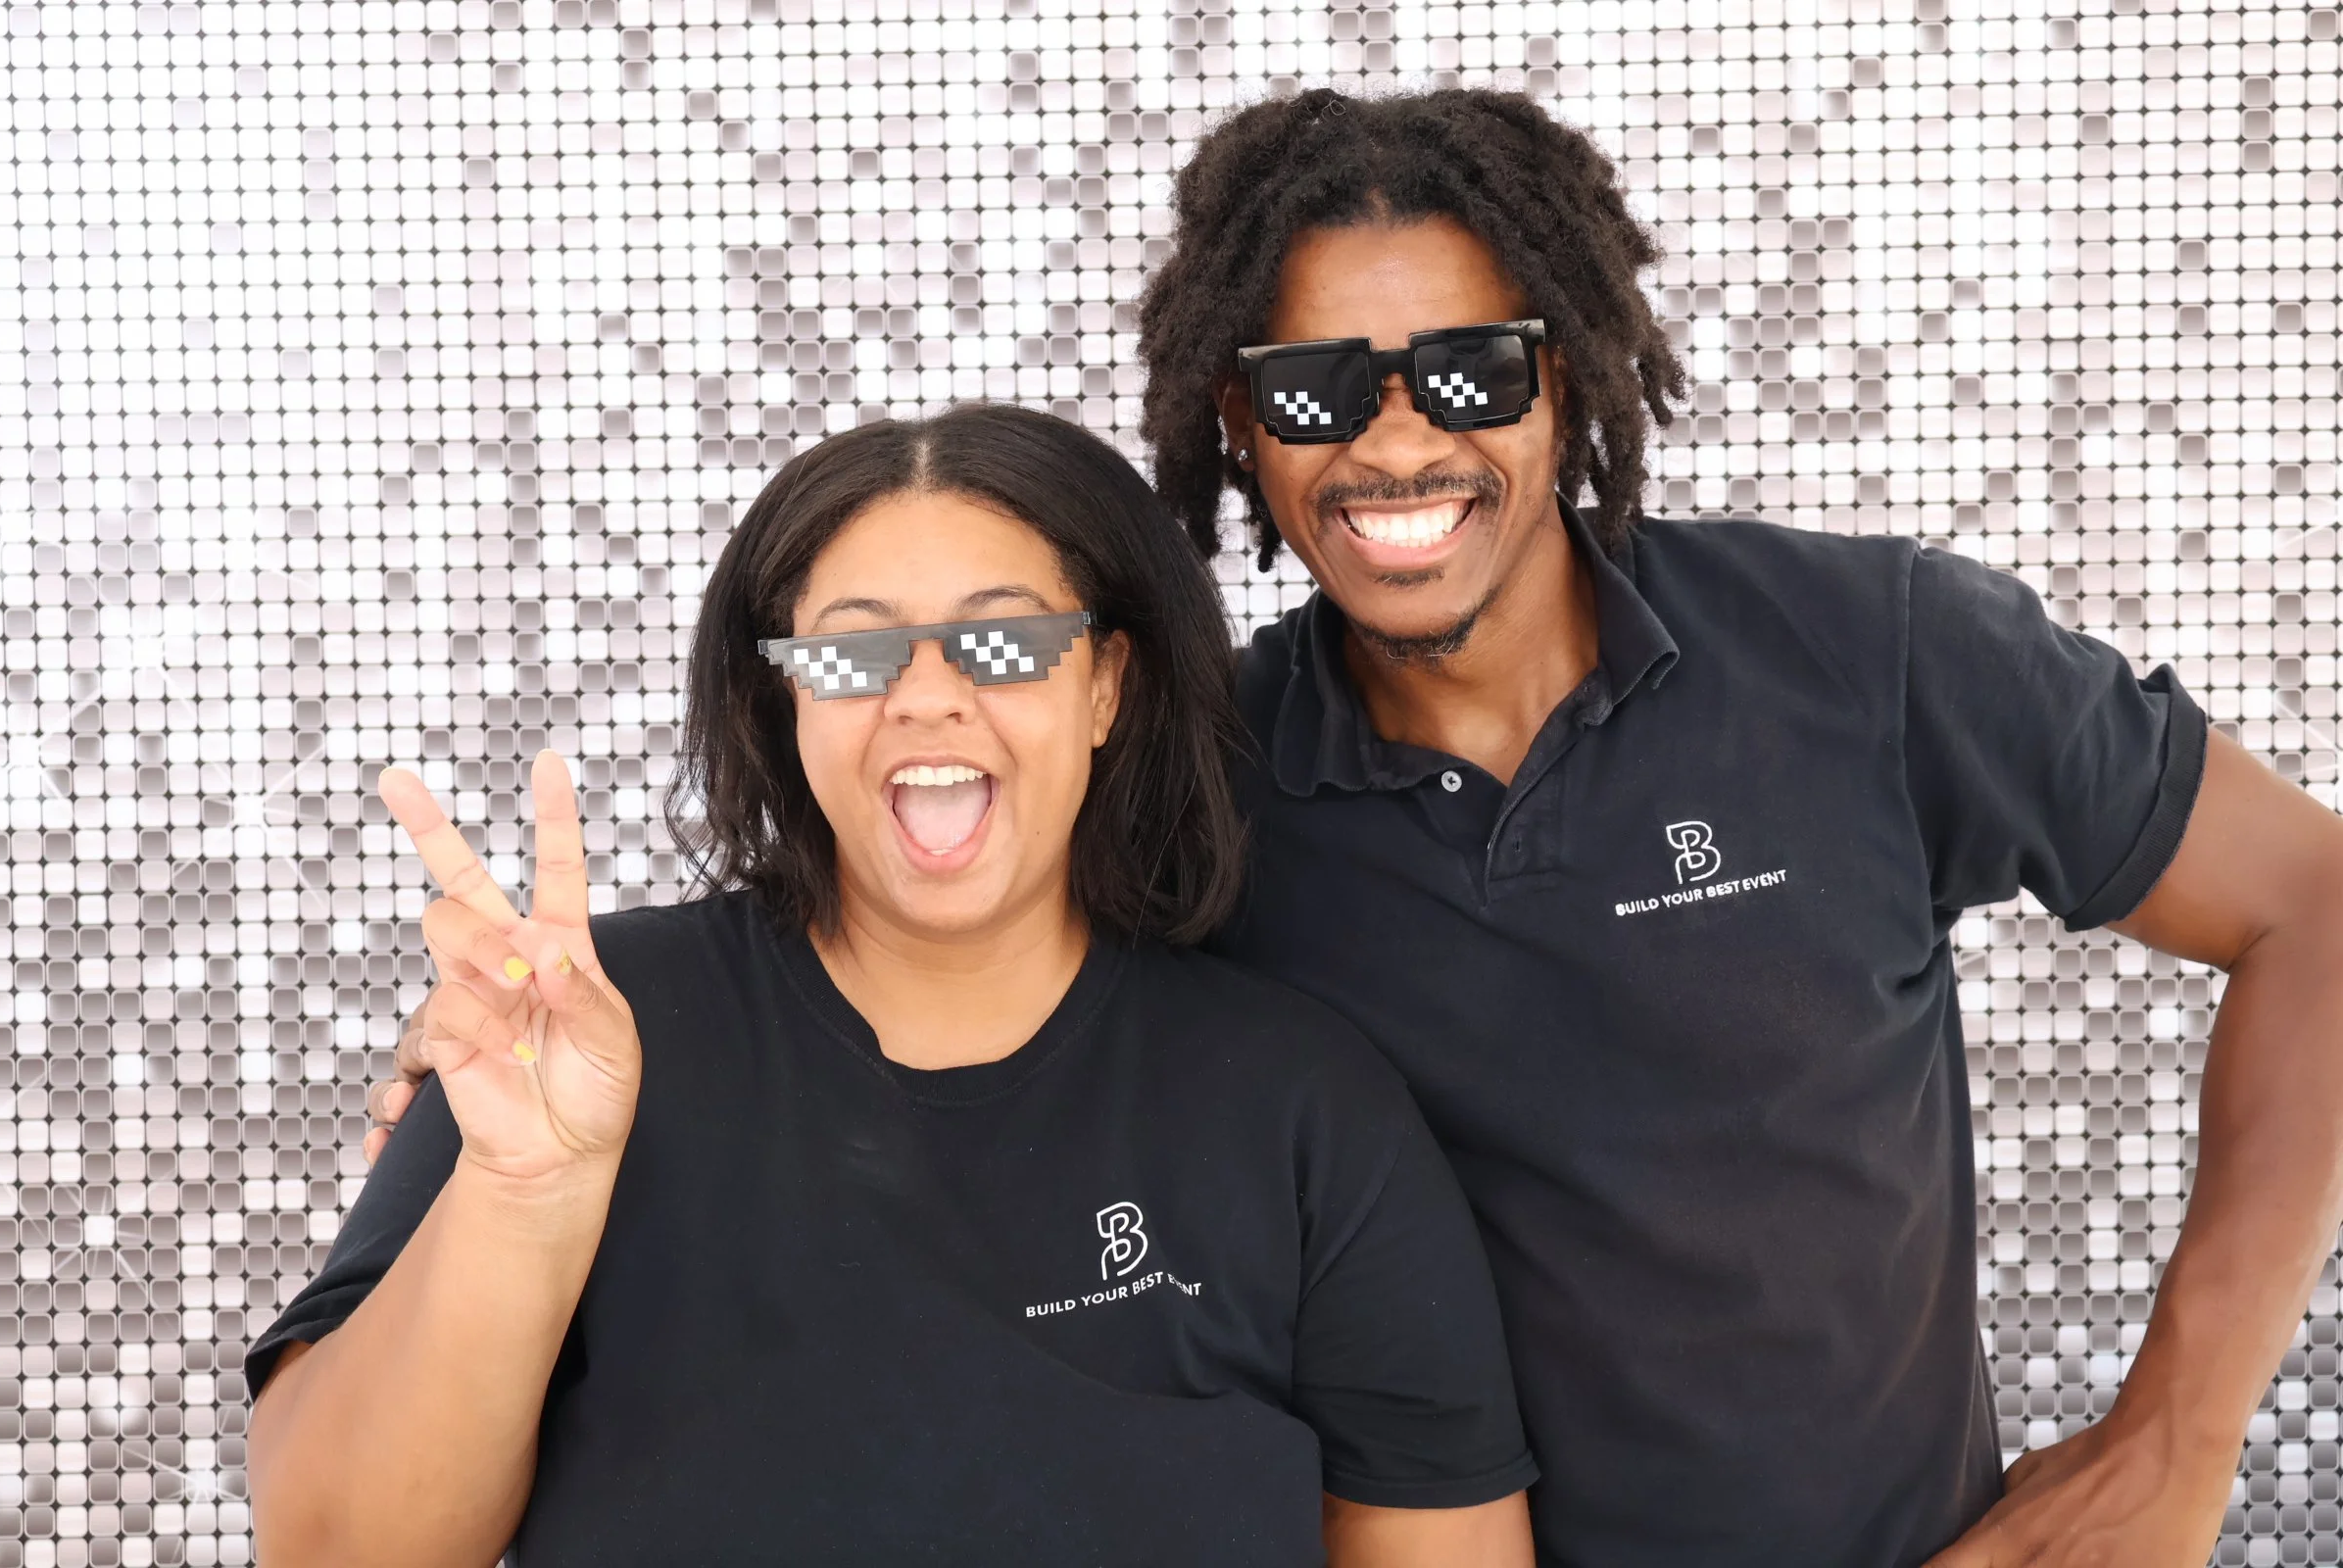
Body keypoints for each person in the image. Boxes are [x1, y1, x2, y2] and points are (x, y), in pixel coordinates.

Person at [370, 89, 2343, 1566]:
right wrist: (523, 1114)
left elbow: (2318, 906)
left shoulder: (1873, 652)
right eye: (1319, 389)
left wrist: (2182, 1436)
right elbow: (912, 934)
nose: (1397, 440)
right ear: (1237, 425)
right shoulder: (1189, 778)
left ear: (1567, 381)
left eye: (1470, 369)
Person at [247, 404, 1538, 1567]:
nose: (926, 699)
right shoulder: (577, 1029)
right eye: (855, 655)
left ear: (1106, 686)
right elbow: (333, 1548)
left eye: (1003, 641)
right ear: (785, 703)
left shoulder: (1300, 1100)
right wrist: (523, 1191)